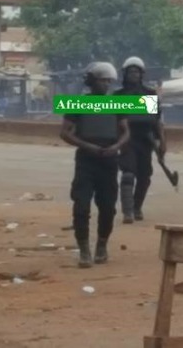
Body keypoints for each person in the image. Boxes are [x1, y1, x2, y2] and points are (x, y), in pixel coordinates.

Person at [59, 62, 130, 268]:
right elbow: (65, 132)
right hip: (86, 161)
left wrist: (116, 146)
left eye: (109, 80)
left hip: (109, 161)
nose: (105, 84)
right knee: (81, 206)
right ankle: (84, 249)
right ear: (91, 81)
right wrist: (87, 146)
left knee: (108, 208)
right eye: (102, 80)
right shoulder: (77, 104)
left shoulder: (117, 104)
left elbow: (126, 131)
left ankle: (101, 245)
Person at [114, 56, 166, 224]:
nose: (134, 74)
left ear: (142, 74)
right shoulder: (118, 96)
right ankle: (127, 212)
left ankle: (137, 207)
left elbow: (157, 121)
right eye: (131, 71)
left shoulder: (150, 94)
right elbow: (110, 121)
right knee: (128, 174)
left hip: (146, 140)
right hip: (126, 140)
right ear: (125, 73)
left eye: (137, 71)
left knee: (144, 176)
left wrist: (162, 142)